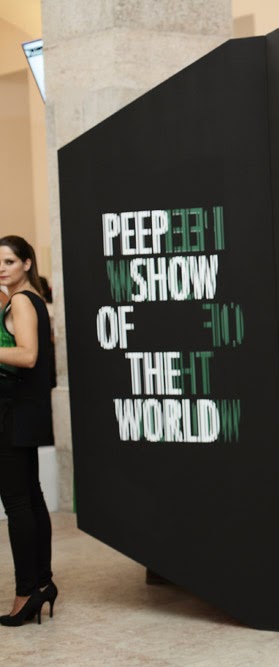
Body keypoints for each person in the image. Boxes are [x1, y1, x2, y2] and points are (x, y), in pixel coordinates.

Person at [0, 235, 57, 627]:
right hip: (26, 411)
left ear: (26, 263)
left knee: (18, 503)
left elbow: (28, 354)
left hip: (12, 412)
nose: (2, 268)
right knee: (31, 499)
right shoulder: (31, 298)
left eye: (8, 261)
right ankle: (43, 583)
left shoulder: (20, 300)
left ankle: (25, 594)